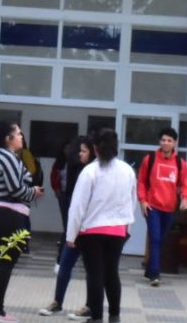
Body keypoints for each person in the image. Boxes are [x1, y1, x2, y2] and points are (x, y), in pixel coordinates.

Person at [65, 128, 136, 323]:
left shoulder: (89, 172)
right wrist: (126, 227)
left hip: (91, 232)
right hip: (118, 231)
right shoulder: (127, 170)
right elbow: (132, 201)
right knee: (112, 273)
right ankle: (115, 316)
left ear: (94, 148)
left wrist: (71, 236)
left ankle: (96, 318)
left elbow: (78, 206)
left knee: (95, 274)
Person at [0, 120, 44, 323]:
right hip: (5, 215)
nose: (21, 138)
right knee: (4, 262)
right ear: (8, 139)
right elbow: (16, 190)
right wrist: (34, 192)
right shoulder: (6, 157)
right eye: (18, 134)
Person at [39, 135, 97, 318]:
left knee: (92, 269)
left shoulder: (96, 172)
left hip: (92, 229)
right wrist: (71, 232)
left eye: (84, 151)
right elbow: (74, 205)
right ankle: (57, 303)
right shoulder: (75, 170)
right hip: (76, 228)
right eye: (79, 151)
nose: (80, 154)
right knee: (65, 264)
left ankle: (89, 306)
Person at [136, 127, 187, 287]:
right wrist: (143, 201)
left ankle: (150, 270)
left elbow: (185, 184)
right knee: (156, 238)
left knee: (160, 240)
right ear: (159, 142)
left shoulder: (181, 164)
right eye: (163, 140)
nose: (166, 143)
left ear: (175, 143)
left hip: (169, 209)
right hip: (152, 207)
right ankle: (155, 274)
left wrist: (185, 198)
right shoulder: (150, 159)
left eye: (169, 140)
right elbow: (141, 182)